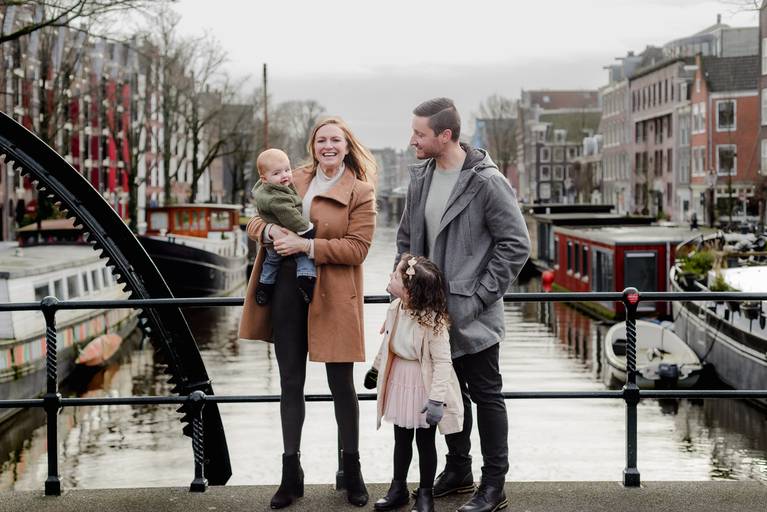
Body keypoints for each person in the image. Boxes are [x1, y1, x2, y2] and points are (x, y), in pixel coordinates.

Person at [396, 98, 531, 512]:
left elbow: (516, 245)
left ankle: (494, 486)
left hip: (472, 317)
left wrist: (476, 298)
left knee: (485, 394)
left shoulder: (487, 182)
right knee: (447, 393)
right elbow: (406, 239)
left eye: (420, 133)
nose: (412, 140)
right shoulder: (420, 176)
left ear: (445, 135)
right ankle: (458, 470)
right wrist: (404, 286)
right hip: (427, 316)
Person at [238, 117, 377, 509]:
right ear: (313, 147)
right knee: (290, 381)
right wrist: (269, 233)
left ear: (347, 146)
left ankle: (352, 472)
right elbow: (254, 217)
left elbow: (358, 249)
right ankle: (290, 475)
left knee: (341, 385)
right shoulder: (289, 178)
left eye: (335, 140)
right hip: (286, 290)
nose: (328, 146)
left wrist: (307, 247)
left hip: (334, 295)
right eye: (321, 140)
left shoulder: (361, 192)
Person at [364, 254, 464, 512]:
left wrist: (436, 399)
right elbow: (388, 342)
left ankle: (426, 494)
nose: (390, 276)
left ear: (410, 290)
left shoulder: (434, 322)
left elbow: (443, 363)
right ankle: (397, 489)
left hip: (422, 384)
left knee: (425, 442)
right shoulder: (394, 308)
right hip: (399, 380)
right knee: (401, 438)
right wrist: (376, 369)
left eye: (396, 275)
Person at [251, 148, 316, 305]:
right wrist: (308, 230)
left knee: (271, 262)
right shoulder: (278, 196)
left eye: (287, 170)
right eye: (277, 173)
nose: (285, 175)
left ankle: (265, 286)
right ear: (264, 179)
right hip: (286, 236)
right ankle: (305, 279)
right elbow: (291, 217)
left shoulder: (267, 188)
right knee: (301, 256)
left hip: (281, 243)